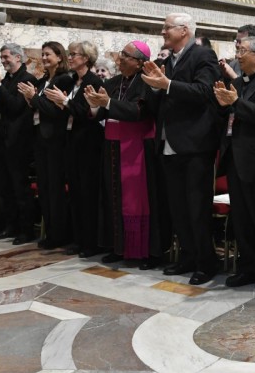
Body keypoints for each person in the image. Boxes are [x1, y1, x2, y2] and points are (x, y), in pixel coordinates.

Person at [142, 12, 221, 285]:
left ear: (184, 30)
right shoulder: (167, 60)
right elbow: (160, 100)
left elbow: (205, 92)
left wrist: (167, 85)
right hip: (169, 141)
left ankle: (206, 262)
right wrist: (156, 88)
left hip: (195, 143)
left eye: (167, 28)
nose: (162, 32)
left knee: (197, 207)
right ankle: (187, 256)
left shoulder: (203, 55)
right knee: (177, 207)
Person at [85, 41, 168, 268]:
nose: (120, 58)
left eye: (126, 56)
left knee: (138, 201)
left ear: (140, 62)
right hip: (112, 146)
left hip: (137, 148)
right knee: (113, 197)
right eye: (121, 54)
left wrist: (107, 103)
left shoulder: (146, 82)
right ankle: (119, 247)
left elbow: (138, 111)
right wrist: (94, 105)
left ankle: (146, 252)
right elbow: (100, 113)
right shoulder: (112, 82)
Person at [214, 35, 255, 294]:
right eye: (237, 50)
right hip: (235, 157)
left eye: (242, 51)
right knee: (241, 219)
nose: (238, 56)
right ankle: (247, 267)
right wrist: (223, 105)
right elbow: (229, 114)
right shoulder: (236, 83)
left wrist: (235, 102)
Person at [47, 41, 105, 257]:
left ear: (86, 58)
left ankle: (90, 243)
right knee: (75, 193)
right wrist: (60, 103)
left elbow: (88, 113)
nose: (70, 58)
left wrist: (65, 102)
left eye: (74, 54)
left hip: (88, 144)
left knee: (87, 194)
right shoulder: (72, 81)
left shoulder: (94, 82)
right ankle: (78, 239)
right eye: (69, 54)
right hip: (71, 141)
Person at [15, 42, 73, 249]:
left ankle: (58, 234)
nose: (44, 58)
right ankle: (49, 232)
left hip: (55, 139)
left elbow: (56, 111)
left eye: (48, 54)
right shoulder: (42, 81)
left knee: (55, 188)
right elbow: (38, 107)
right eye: (43, 54)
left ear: (59, 57)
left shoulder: (64, 79)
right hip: (39, 138)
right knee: (44, 188)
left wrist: (34, 98)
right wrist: (30, 99)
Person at [0, 43, 38, 244]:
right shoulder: (5, 79)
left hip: (18, 141)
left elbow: (15, 106)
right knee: (4, 186)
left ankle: (26, 229)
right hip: (1, 139)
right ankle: (10, 225)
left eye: (6, 56)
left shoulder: (28, 79)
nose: (3, 60)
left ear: (18, 57)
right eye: (2, 57)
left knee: (19, 187)